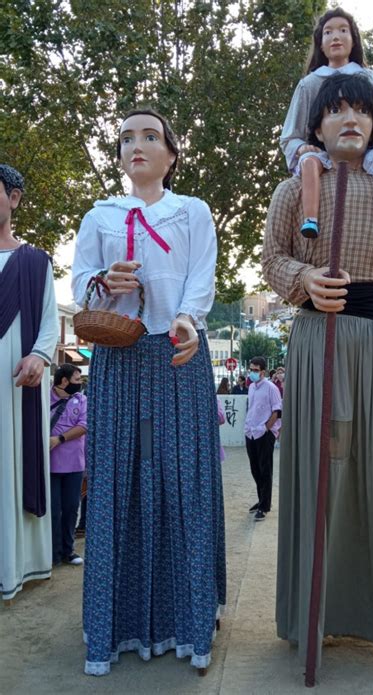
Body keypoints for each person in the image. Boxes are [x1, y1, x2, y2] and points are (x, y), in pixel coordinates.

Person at [263, 73, 373, 672]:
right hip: (318, 345)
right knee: (322, 473)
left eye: (360, 110)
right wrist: (304, 280)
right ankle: (313, 618)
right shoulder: (293, 192)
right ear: (314, 126)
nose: (349, 119)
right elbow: (273, 259)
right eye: (334, 109)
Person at [72, 108, 225, 675]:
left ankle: (186, 620)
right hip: (117, 355)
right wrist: (104, 282)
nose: (136, 145)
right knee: (118, 481)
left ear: (171, 153)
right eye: (126, 138)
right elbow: (81, 280)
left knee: (181, 479)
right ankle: (117, 624)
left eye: (150, 136)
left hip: (179, 352)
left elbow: (201, 274)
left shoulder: (193, 212)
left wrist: (188, 318)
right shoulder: (99, 215)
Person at [281, 7, 373, 240]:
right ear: (320, 43)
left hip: (367, 154)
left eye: (343, 30)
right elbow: (291, 133)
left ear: (354, 40)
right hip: (322, 156)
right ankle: (311, 220)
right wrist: (302, 148)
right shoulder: (309, 84)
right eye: (328, 32)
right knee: (309, 163)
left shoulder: (368, 78)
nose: (336, 37)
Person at [0, 165, 58, 602]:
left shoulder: (35, 262)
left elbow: (50, 324)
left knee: (14, 468)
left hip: (17, 385)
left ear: (14, 199)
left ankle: (17, 567)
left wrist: (39, 356)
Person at [50, 364, 87, 566]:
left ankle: (68, 549)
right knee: (53, 510)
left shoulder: (81, 400)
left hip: (74, 464)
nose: (79, 383)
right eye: (76, 379)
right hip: (49, 466)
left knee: (71, 507)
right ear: (63, 381)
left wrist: (59, 439)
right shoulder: (43, 399)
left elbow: (84, 426)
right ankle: (53, 552)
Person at [244, 356, 282, 521]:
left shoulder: (271, 388)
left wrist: (266, 428)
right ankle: (261, 500)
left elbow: (277, 411)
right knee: (255, 469)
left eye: (255, 370)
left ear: (263, 372)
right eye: (251, 369)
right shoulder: (251, 387)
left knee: (265, 469)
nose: (252, 373)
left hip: (264, 434)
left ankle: (265, 506)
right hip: (250, 432)